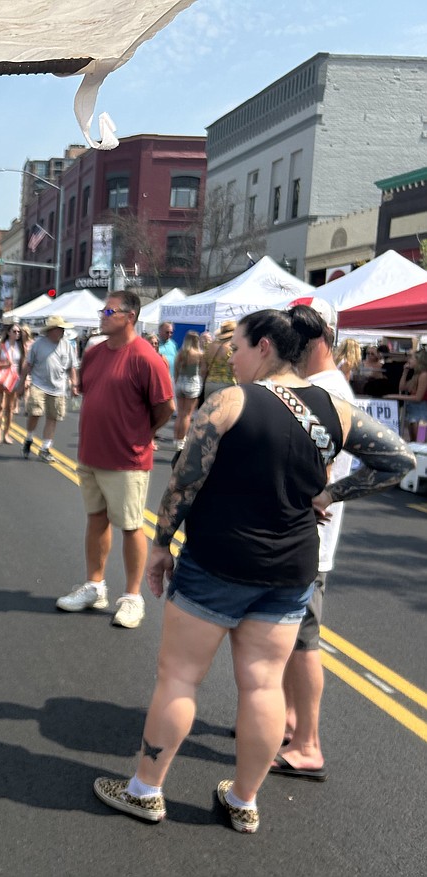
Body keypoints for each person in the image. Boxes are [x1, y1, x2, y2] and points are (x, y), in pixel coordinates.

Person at [93, 308, 413, 833]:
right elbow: (399, 460)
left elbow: (183, 482)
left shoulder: (230, 401)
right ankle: (244, 801)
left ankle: (145, 790)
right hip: (290, 570)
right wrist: (329, 494)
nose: (232, 359)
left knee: (178, 679)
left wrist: (160, 543)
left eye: (237, 348)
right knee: (264, 688)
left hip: (217, 562)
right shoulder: (335, 409)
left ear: (264, 347)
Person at [56, 292, 174, 629]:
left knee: (131, 526)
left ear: (130, 316)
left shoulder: (145, 357)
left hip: (127, 460)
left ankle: (133, 597)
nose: (102, 315)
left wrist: (141, 433)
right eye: (103, 309)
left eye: (109, 310)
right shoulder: (94, 354)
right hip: (91, 454)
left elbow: (164, 406)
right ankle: (95, 586)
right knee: (96, 520)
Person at [273, 299, 353, 783]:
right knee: (287, 637)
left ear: (320, 337)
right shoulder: (317, 385)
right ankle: (285, 723)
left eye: (300, 332)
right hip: (298, 537)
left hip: (309, 542)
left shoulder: (326, 390)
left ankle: (308, 743)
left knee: (303, 641)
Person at [18, 315, 79, 462]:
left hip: (58, 387)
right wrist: (21, 383)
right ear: (51, 330)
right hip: (39, 384)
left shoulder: (67, 346)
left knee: (53, 417)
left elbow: (72, 367)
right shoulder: (38, 344)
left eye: (63, 329)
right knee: (35, 412)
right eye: (59, 329)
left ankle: (45, 448)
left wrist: (74, 385)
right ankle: (29, 437)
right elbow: (28, 364)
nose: (62, 331)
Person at [0, 323, 24, 445]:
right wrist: (4, 365)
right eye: (14, 331)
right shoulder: (1, 346)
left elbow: (24, 365)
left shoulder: (21, 347)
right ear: (8, 332)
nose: (17, 334)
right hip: (1, 378)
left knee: (10, 408)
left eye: (19, 332)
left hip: (14, 378)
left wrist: (25, 379)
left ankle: (6, 434)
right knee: (0, 406)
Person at [385, 346, 427, 440]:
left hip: (422, 414)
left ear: (419, 361)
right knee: (413, 441)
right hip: (412, 411)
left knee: (420, 441)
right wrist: (405, 372)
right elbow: (402, 387)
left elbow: (418, 397)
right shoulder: (416, 375)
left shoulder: (424, 375)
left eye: (412, 358)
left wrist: (396, 396)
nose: (409, 360)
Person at [172, 331, 204, 452]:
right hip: (193, 383)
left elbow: (175, 369)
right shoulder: (200, 354)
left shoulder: (182, 353)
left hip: (181, 382)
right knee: (187, 415)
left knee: (180, 414)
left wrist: (176, 380)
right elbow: (203, 370)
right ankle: (182, 441)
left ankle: (176, 439)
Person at [201, 320, 237, 401]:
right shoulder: (231, 348)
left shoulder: (209, 346)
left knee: (209, 412)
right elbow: (234, 369)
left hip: (209, 383)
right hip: (227, 384)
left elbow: (203, 370)